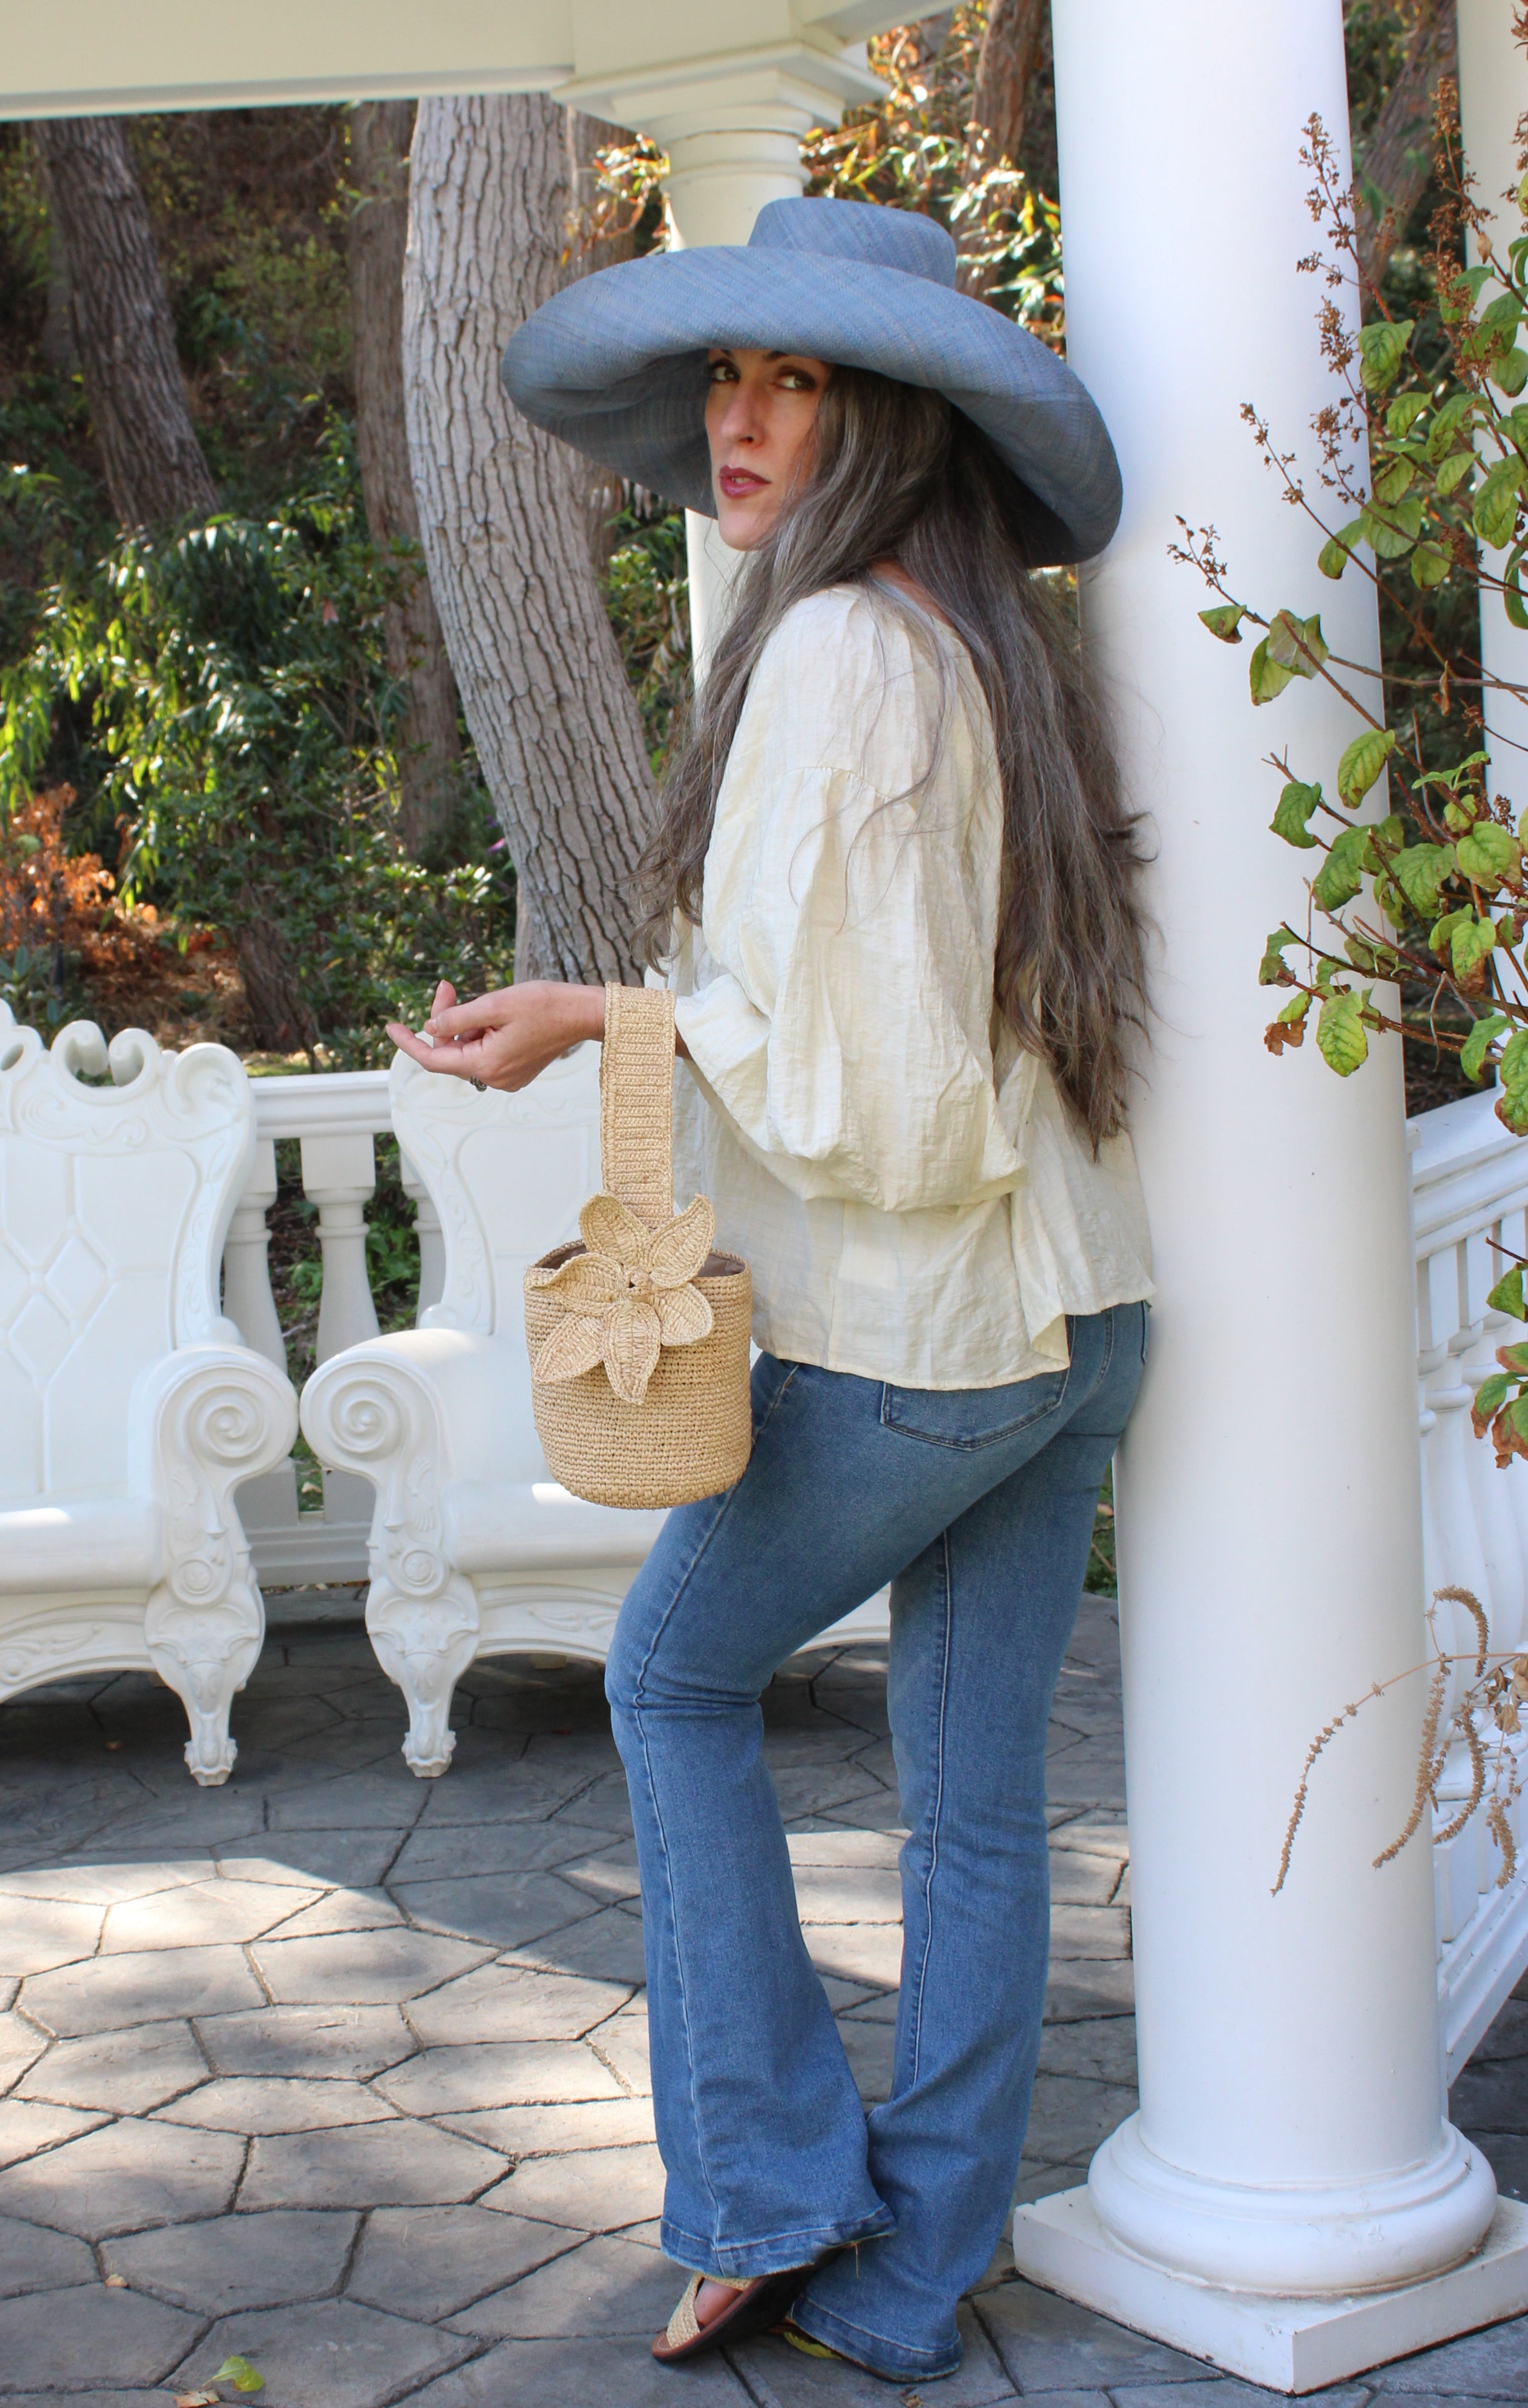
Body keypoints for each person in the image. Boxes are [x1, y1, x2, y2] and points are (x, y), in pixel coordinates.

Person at [388, 198, 1153, 2381]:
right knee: (973, 1797)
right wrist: (617, 1008)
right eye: (727, 373)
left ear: (891, 415)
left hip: (931, 1337)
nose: (738, 416)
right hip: (1081, 1318)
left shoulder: (836, 655)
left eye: (795, 377)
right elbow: (897, 1024)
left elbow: (882, 1111)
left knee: (668, 1680)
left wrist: (605, 1025)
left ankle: (766, 2191)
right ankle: (911, 2275)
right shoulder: (989, 641)